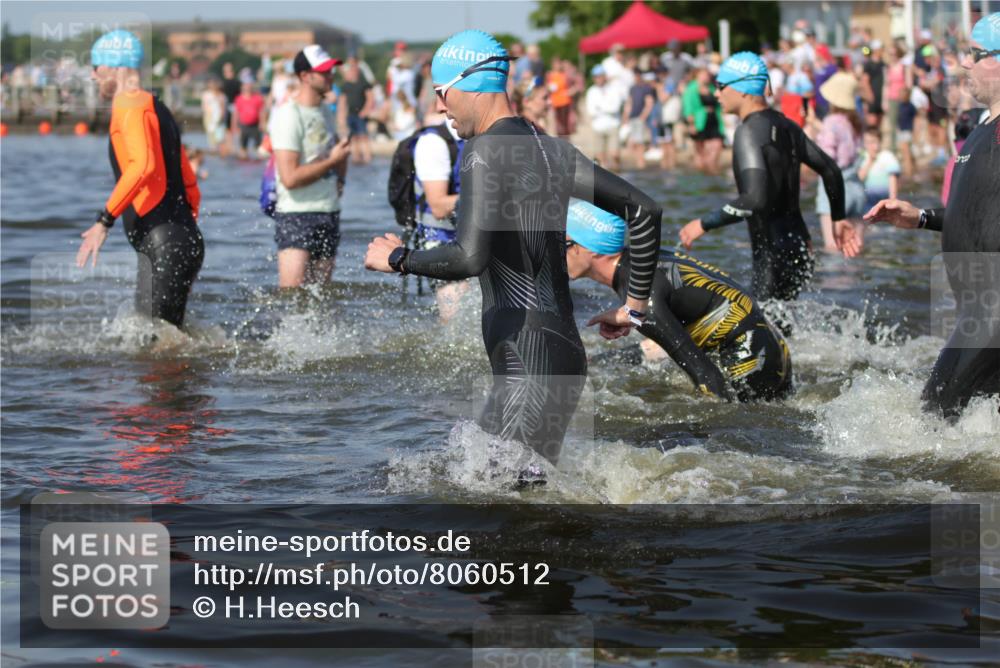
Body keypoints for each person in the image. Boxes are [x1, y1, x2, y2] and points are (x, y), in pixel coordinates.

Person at [365, 30, 661, 477]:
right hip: (559, 354)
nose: (440, 106)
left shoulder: (484, 150)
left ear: (472, 84)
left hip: (529, 360)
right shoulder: (552, 148)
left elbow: (469, 258)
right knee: (516, 501)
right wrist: (633, 309)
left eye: (442, 92)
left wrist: (398, 259)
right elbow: (644, 210)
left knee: (500, 503)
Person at [864, 13, 1000, 419]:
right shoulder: (982, 128)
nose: (965, 63)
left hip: (993, 310)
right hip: (978, 311)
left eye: (976, 54)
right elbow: (981, 211)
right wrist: (921, 217)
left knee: (932, 424)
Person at [566, 200, 791, 402]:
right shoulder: (641, 263)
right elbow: (675, 338)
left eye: (564, 245)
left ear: (592, 250)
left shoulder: (642, 297)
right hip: (770, 344)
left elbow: (705, 375)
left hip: (752, 357)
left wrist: (712, 428)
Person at [679, 52, 857, 303]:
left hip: (772, 254)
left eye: (721, 86)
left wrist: (704, 223)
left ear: (743, 89)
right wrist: (838, 218)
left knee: (760, 320)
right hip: (800, 248)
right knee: (784, 319)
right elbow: (831, 170)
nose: (716, 94)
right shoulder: (788, 126)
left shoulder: (747, 132)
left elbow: (754, 199)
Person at [76, 30, 203, 329]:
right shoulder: (157, 107)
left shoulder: (129, 103)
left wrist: (104, 221)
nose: (93, 75)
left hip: (165, 242)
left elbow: (143, 166)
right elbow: (189, 183)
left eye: (96, 67)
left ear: (115, 66)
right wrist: (184, 234)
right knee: (160, 341)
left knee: (160, 347)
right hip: (174, 240)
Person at [270, 45, 351, 288]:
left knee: (322, 296)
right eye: (323, 71)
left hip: (328, 211)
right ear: (305, 76)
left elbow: (336, 153)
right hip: (296, 213)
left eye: (331, 70)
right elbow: (290, 178)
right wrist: (333, 161)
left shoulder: (325, 111)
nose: (330, 76)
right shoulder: (288, 115)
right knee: (292, 296)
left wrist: (340, 178)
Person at [412, 95, 468, 320]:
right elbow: (438, 206)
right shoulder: (434, 142)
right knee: (455, 317)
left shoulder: (489, 139)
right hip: (441, 236)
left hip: (479, 235)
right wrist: (492, 198)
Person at [815, 71, 867, 252]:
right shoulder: (856, 122)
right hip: (856, 187)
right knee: (854, 249)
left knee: (833, 248)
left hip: (833, 189)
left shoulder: (830, 121)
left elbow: (826, 157)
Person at [682, 68, 724, 174]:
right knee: (700, 152)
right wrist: (691, 124)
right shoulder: (691, 89)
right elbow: (688, 108)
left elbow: (719, 105)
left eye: (708, 75)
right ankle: (701, 175)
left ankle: (711, 169)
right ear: (697, 76)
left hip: (714, 120)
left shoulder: (712, 88)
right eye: (704, 75)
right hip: (699, 122)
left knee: (717, 145)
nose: (707, 77)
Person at [585, 65, 623, 169]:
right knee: (600, 157)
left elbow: (615, 108)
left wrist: (600, 107)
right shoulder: (591, 91)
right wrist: (606, 107)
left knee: (615, 155)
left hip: (613, 125)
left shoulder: (614, 89)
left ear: (605, 76)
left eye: (600, 76)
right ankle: (606, 175)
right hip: (598, 127)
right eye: (596, 77)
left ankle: (618, 172)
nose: (599, 79)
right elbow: (591, 111)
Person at [339, 57, 374, 164]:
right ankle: (356, 157)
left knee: (363, 136)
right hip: (350, 114)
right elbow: (342, 101)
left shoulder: (363, 84)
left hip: (360, 114)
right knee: (353, 137)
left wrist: (366, 110)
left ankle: (367, 156)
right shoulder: (346, 85)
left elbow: (370, 98)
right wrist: (341, 115)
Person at [858, 127, 900, 209]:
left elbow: (893, 179)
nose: (870, 145)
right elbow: (860, 178)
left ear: (880, 141)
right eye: (867, 142)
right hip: (868, 201)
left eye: (873, 142)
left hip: (885, 199)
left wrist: (893, 199)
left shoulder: (887, 156)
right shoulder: (863, 157)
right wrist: (870, 161)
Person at [233, 79, 265, 160]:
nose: (247, 90)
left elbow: (261, 111)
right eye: (245, 89)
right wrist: (234, 125)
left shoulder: (257, 98)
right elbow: (236, 113)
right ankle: (244, 161)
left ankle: (257, 163)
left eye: (249, 88)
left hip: (255, 125)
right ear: (242, 89)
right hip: (243, 125)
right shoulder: (239, 99)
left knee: (258, 147)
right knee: (243, 147)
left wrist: (262, 123)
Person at [201, 78, 227, 154]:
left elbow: (223, 107)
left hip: (219, 116)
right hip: (209, 116)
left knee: (219, 133)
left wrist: (221, 115)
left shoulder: (221, 95)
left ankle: (220, 149)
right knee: (210, 132)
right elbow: (204, 105)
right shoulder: (206, 94)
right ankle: (213, 148)